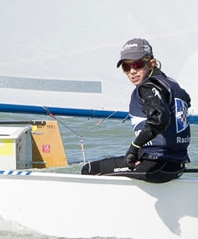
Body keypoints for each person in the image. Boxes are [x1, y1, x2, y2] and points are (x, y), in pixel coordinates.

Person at [81, 37, 191, 182]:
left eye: (137, 65)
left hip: (155, 165)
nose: (132, 71)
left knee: (90, 169)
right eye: (126, 67)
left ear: (152, 63)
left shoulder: (147, 87)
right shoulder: (171, 84)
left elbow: (159, 118)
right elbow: (186, 101)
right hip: (176, 166)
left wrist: (134, 147)